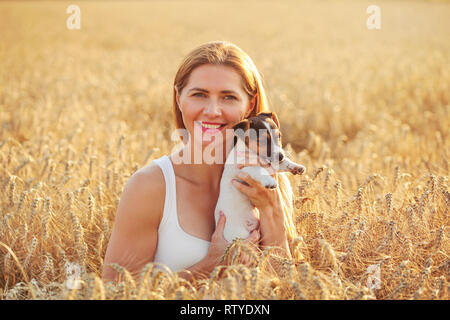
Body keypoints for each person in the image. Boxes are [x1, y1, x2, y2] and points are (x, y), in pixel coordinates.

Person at [102, 41, 298, 283]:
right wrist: (211, 265)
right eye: (199, 95)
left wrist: (271, 212)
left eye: (228, 97)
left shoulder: (272, 184)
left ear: (249, 106)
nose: (213, 110)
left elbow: (288, 289)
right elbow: (115, 293)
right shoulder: (151, 187)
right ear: (179, 98)